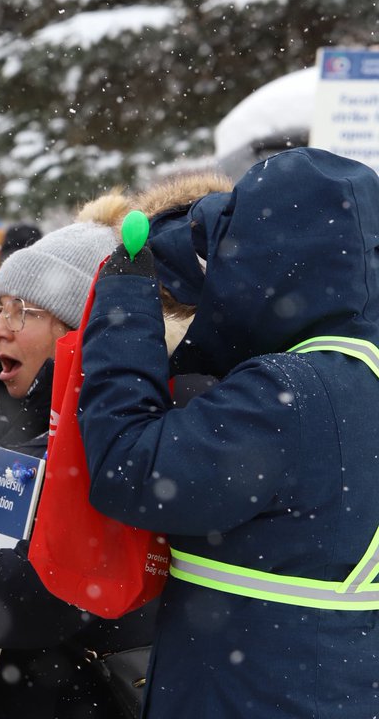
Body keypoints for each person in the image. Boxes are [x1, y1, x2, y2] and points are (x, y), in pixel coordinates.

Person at [78, 148, 379, 718]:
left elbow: (129, 469)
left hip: (247, 694)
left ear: (271, 261)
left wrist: (125, 301)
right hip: (336, 684)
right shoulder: (356, 372)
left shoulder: (291, 395)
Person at [0, 203, 160, 719]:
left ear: (79, 328)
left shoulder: (111, 438)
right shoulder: (5, 421)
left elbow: (42, 593)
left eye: (20, 312)